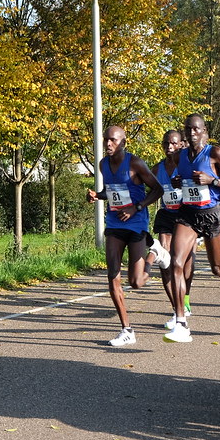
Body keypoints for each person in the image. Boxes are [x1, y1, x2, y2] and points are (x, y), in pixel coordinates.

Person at [86, 126, 170, 347]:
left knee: (136, 282)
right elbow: (111, 191)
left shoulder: (136, 164)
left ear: (123, 142)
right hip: (114, 222)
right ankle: (127, 330)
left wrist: (137, 207)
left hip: (135, 224)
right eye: (106, 140)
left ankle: (155, 254)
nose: (108, 144)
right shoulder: (103, 164)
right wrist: (97, 195)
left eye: (113, 140)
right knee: (112, 274)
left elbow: (158, 189)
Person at [164, 114, 220, 343]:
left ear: (204, 131)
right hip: (187, 213)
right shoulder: (180, 156)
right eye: (188, 129)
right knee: (176, 262)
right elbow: (177, 181)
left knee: (217, 267)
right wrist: (177, 182)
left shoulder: (215, 153)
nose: (191, 133)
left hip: (211, 215)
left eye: (196, 129)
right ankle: (181, 322)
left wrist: (213, 181)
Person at [151, 130, 196, 330]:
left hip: (187, 216)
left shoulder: (187, 166)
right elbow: (145, 187)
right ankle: (176, 309)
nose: (169, 146)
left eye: (173, 143)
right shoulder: (157, 168)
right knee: (165, 261)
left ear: (180, 145)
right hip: (166, 215)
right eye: (166, 143)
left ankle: (184, 297)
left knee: (185, 263)